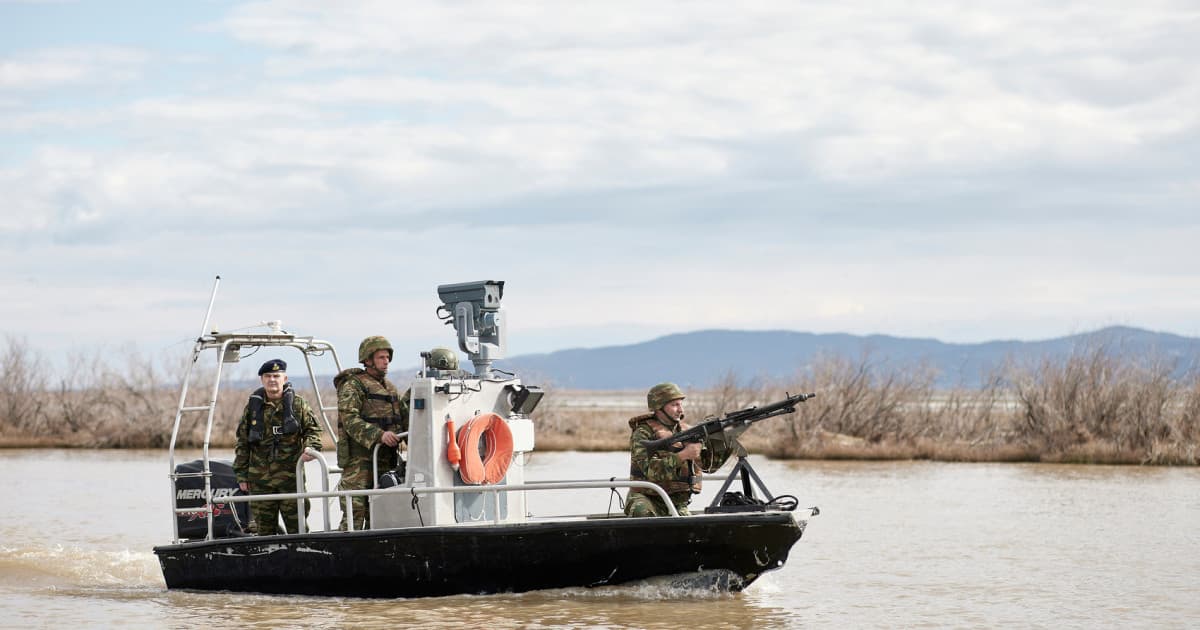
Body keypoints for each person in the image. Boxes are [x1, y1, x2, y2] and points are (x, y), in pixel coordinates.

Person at [233, 358, 323, 535]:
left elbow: (314, 431)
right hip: (260, 481)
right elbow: (242, 443)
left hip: (291, 479)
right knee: (264, 533)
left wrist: (310, 448)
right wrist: (241, 475)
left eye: (276, 375)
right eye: (268, 376)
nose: (272, 380)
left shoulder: (298, 405)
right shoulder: (252, 408)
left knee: (298, 530)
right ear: (262, 379)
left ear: (284, 378)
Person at [625, 382, 738, 517]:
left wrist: (725, 438)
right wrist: (683, 455)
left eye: (680, 404)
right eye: (674, 405)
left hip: (677, 502)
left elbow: (710, 466)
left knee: (688, 527)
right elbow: (650, 471)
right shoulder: (643, 433)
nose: (680, 410)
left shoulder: (687, 431)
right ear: (659, 408)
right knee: (643, 514)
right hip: (647, 498)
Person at [334, 335, 409, 530]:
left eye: (387, 358)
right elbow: (349, 420)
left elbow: (403, 419)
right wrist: (379, 435)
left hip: (385, 462)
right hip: (359, 463)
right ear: (368, 360)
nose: (386, 362)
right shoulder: (353, 385)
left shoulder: (390, 388)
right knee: (355, 513)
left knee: (381, 513)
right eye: (381, 358)